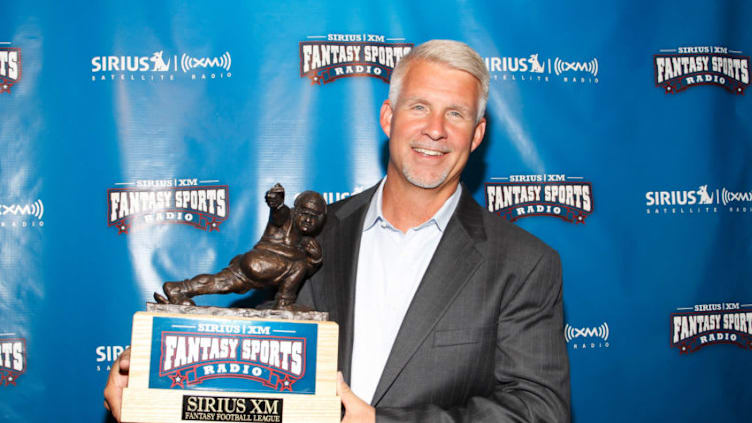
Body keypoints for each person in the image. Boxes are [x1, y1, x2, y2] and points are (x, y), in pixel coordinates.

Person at [105, 39, 570, 422]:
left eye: (456, 114)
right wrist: (152, 385)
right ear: (388, 117)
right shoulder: (317, 235)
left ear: (477, 133)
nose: (435, 130)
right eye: (420, 106)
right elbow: (254, 361)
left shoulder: (523, 264)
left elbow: (539, 411)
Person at [153, 184, 326, 309]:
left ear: (321, 219)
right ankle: (284, 303)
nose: (308, 220)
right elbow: (278, 215)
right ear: (296, 211)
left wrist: (315, 259)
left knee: (221, 282)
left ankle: (178, 289)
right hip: (261, 261)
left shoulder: (307, 242)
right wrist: (277, 204)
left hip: (252, 263)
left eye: (314, 217)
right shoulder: (287, 216)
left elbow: (300, 277)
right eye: (305, 214)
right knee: (299, 264)